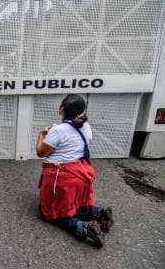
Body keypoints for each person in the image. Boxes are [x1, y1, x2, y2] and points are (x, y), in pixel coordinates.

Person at [35, 94, 113, 248]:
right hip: (82, 175)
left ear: (61, 109)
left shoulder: (57, 130)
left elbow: (40, 152)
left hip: (63, 179)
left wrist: (42, 134)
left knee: (49, 214)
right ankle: (99, 212)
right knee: (76, 206)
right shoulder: (86, 127)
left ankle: (85, 228)